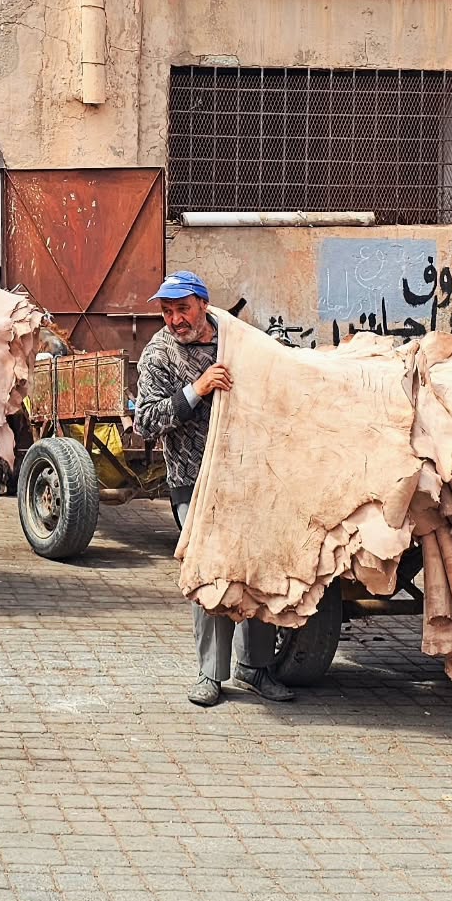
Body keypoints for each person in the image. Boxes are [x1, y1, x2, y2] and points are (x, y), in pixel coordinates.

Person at [134, 270, 294, 710]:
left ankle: (255, 667)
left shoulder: (236, 341)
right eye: (166, 311)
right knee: (209, 571)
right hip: (193, 482)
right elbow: (145, 420)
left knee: (252, 569)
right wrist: (195, 391)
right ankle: (210, 673)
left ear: (203, 304)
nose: (174, 320)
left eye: (181, 309)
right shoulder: (159, 355)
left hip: (245, 478)